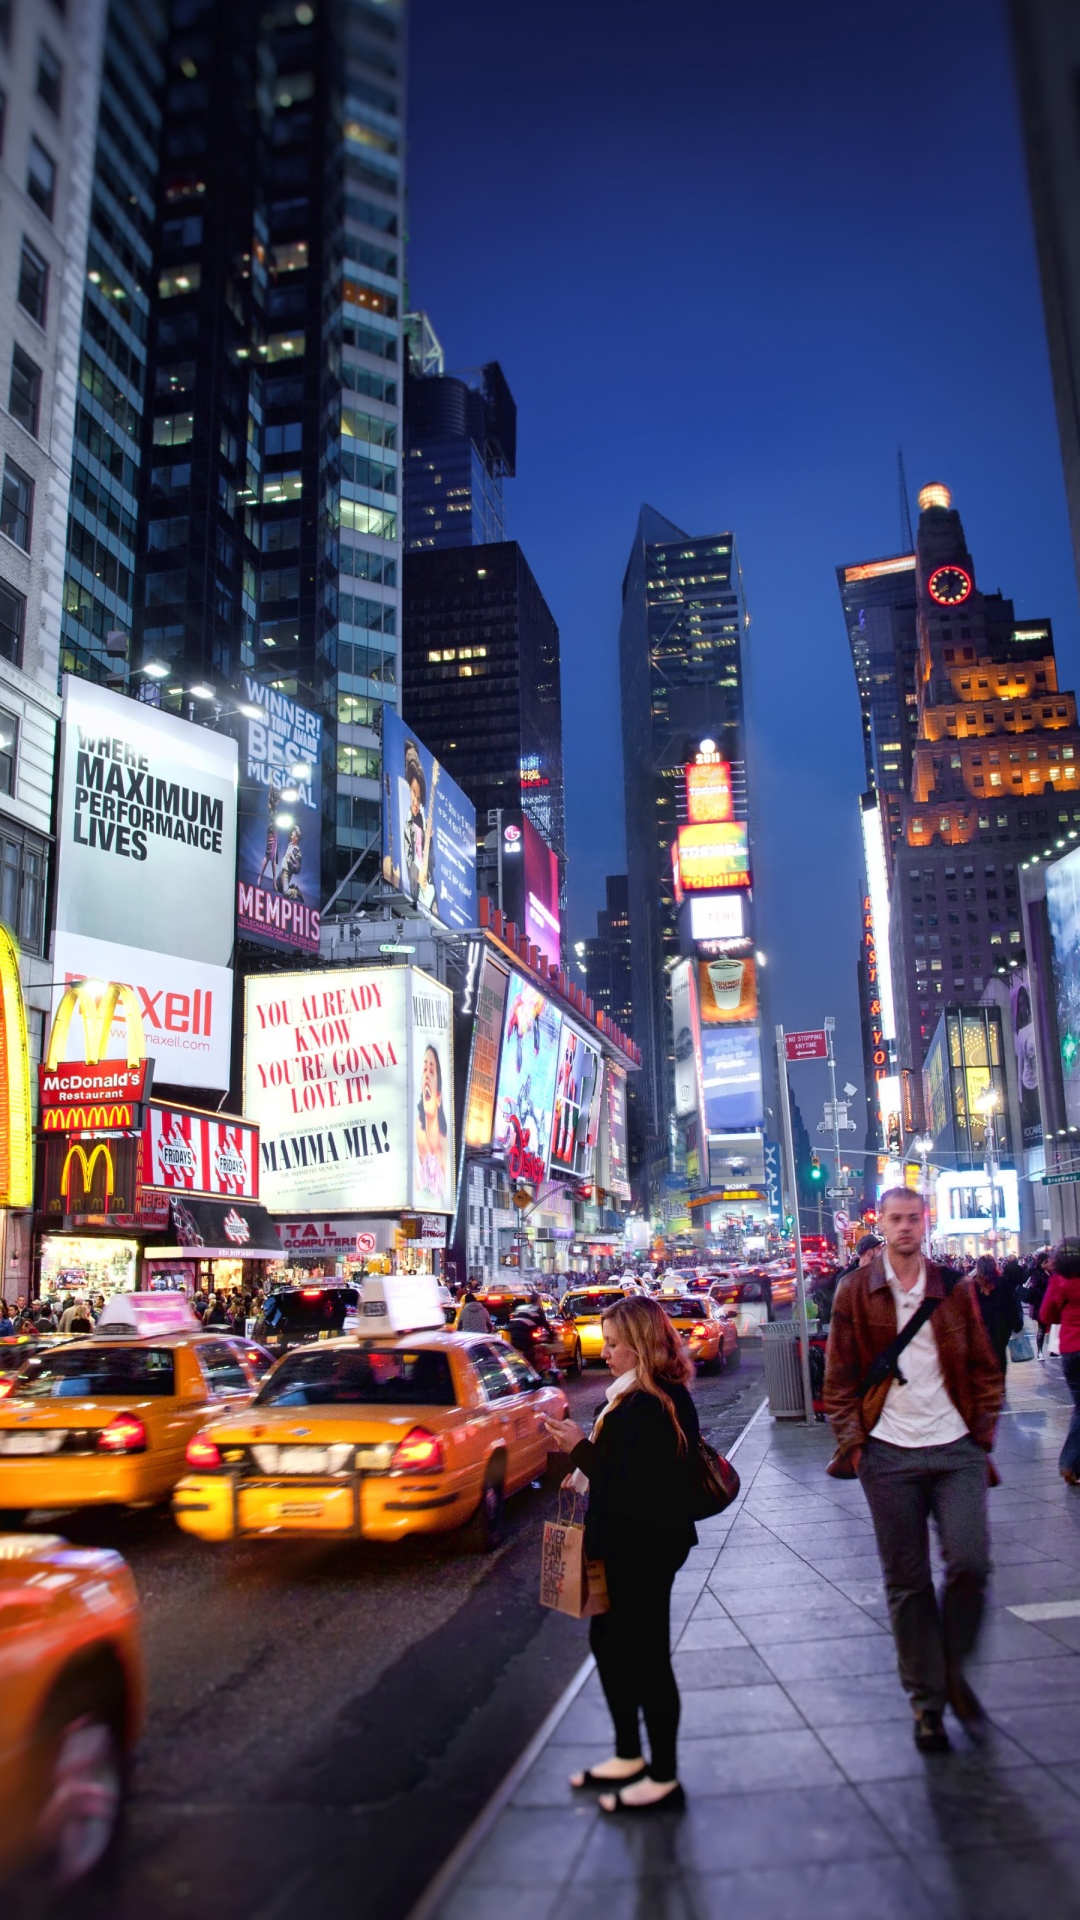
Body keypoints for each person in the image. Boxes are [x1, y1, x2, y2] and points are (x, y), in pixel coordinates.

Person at [824, 1186, 1003, 1753]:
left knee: (971, 1562)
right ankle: (927, 1703)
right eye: (895, 1219)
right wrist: (856, 1447)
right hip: (888, 1454)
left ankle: (950, 1667)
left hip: (955, 1448)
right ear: (881, 1223)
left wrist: (982, 1435)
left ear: (925, 1223)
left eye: (913, 1218)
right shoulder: (855, 1290)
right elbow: (839, 1379)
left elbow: (983, 1363)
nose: (904, 1228)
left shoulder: (954, 1288)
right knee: (908, 1584)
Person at [543, 1294, 699, 1815]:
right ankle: (630, 1755)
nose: (603, 1352)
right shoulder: (633, 1397)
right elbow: (621, 1470)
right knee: (609, 1644)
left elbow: (635, 1487)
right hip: (620, 1543)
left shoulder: (651, 1403)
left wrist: (579, 1449)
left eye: (613, 1344)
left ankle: (664, 1776)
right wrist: (586, 1461)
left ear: (638, 1346)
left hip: (644, 1547)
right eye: (605, 1343)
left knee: (647, 1657)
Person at [1039, 1241, 1080, 1486]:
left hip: (1070, 1350)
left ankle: (1072, 1464)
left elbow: (1045, 1316)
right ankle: (1070, 1462)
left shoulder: (1058, 1283)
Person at [972, 1254, 1023, 1377]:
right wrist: (1016, 1323)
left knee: (984, 1354)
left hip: (981, 1327)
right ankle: (1000, 1381)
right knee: (1000, 1353)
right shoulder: (1001, 1282)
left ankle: (988, 1379)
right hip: (1002, 1327)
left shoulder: (974, 1284)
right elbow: (1011, 1304)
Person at [1025, 1251, 1053, 1359]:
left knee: (1052, 1328)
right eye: (1048, 1261)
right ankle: (1039, 1352)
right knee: (1041, 1328)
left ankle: (1052, 1350)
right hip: (1041, 1304)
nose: (1050, 1263)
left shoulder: (1050, 1272)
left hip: (1050, 1304)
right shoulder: (1037, 1273)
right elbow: (1035, 1288)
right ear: (1043, 1262)